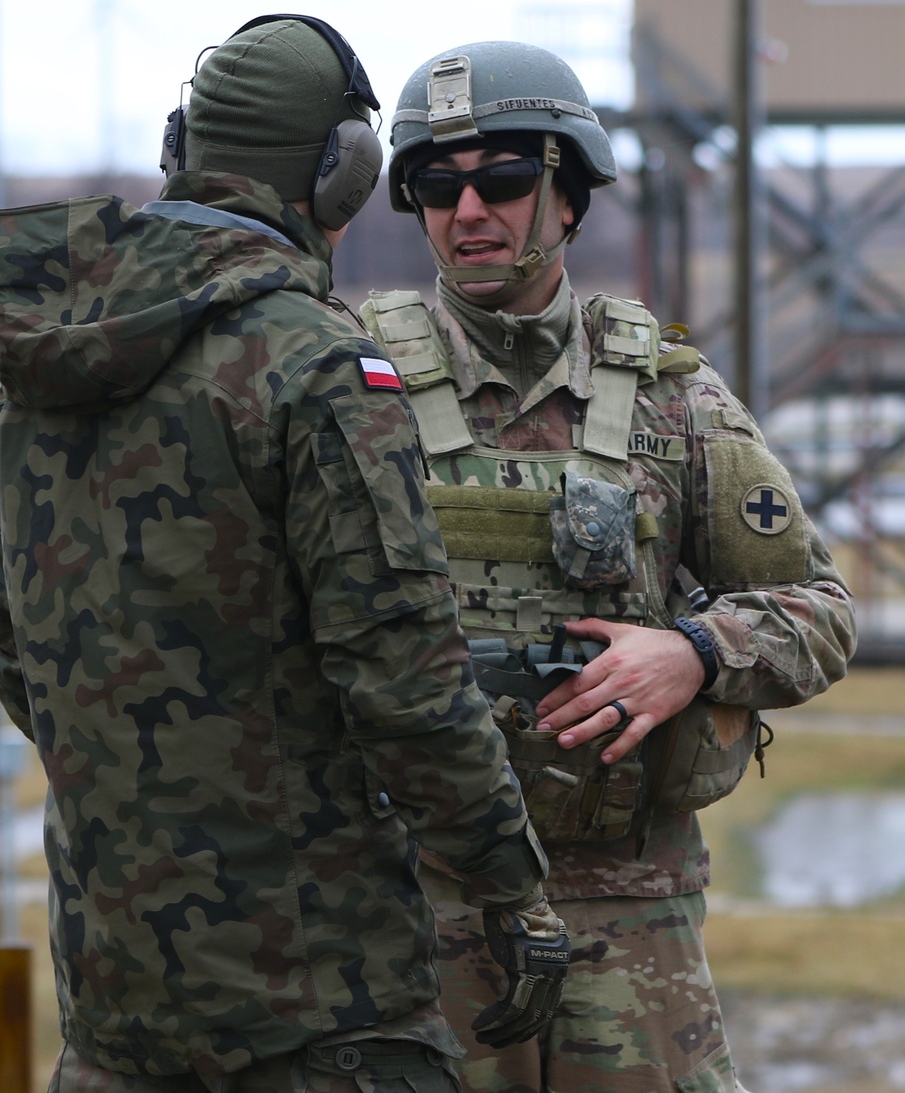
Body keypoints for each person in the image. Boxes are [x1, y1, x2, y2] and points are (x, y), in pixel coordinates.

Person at [0, 19, 574, 1093]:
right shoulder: (315, 364)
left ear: (180, 146)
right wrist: (509, 885)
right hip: (317, 1017)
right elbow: (401, 678)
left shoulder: (39, 372)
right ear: (340, 177)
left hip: (111, 1016)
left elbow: (31, 684)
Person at [353, 40, 858, 1093]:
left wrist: (693, 651)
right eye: (437, 188)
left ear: (569, 195)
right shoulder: (348, 386)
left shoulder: (674, 401)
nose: (468, 212)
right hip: (412, 900)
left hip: (626, 907)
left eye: (502, 180)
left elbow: (820, 610)